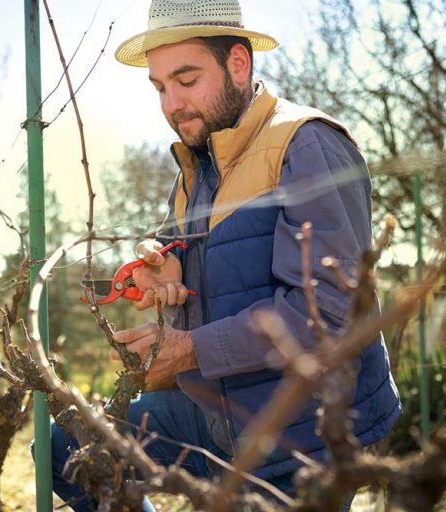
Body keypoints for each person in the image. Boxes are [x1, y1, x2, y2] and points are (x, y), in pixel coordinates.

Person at [46, 0, 401, 510]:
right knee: (69, 448)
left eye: (186, 81)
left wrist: (186, 350)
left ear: (238, 63)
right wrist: (166, 262)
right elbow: (209, 278)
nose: (171, 104)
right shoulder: (198, 166)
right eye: (160, 88)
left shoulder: (306, 146)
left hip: (304, 429)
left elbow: (326, 314)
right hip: (217, 412)